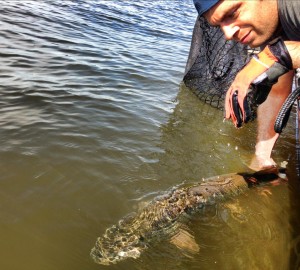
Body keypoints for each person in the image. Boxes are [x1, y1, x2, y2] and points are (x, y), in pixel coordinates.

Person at [192, 0, 300, 170]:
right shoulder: (271, 22)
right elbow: (278, 89)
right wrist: (262, 157)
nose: (227, 33)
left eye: (232, 14)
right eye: (219, 25)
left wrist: (275, 55)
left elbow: (283, 54)